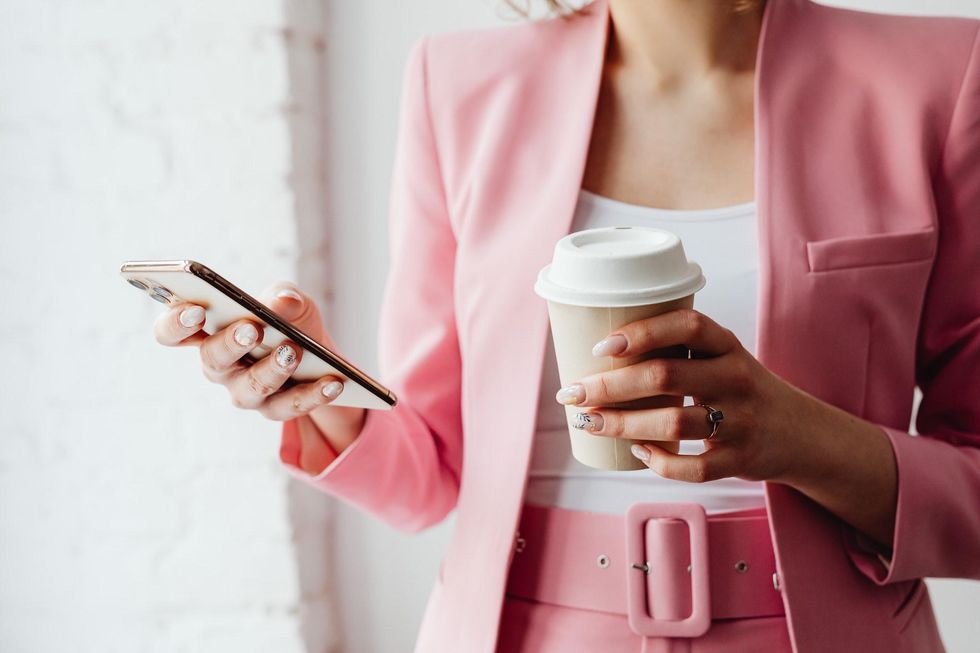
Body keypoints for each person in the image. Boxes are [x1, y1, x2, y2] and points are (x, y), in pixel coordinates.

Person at [152, 0, 980, 650]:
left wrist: (796, 435)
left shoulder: (941, 76)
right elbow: (431, 474)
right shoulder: (457, 85)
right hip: (524, 632)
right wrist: (316, 388)